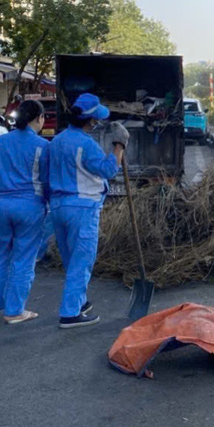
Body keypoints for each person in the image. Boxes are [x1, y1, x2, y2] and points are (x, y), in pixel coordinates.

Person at [47, 93, 127, 329]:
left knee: (71, 259)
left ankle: (79, 302)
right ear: (90, 121)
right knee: (82, 261)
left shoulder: (58, 140)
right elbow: (108, 170)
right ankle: (70, 313)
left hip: (59, 207)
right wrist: (119, 146)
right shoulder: (86, 145)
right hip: (82, 208)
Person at [0, 100, 49, 325]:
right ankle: (14, 310)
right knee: (24, 258)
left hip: (0, 205)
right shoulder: (42, 146)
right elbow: (47, 182)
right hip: (30, 207)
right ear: (38, 119)